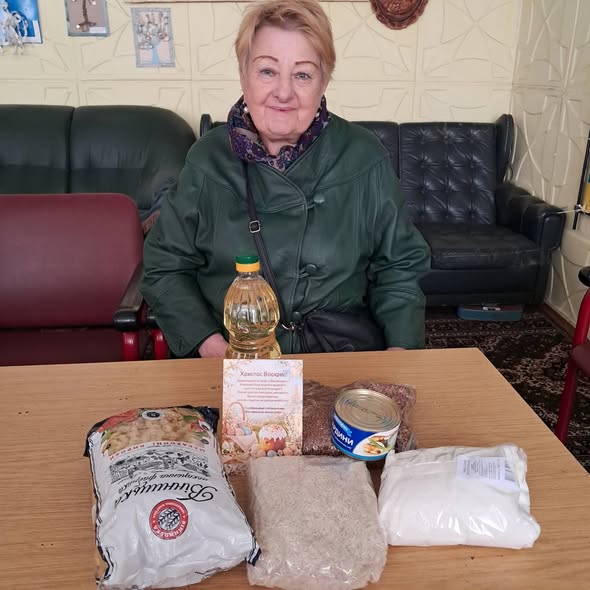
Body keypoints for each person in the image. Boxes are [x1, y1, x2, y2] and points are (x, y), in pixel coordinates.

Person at [141, 0, 430, 358]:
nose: (283, 92)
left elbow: (400, 265)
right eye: (267, 71)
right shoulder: (207, 160)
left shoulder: (364, 156)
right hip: (234, 359)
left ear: (324, 81)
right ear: (243, 74)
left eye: (303, 74)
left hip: (339, 356)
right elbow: (164, 266)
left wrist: (400, 354)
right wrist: (213, 349)